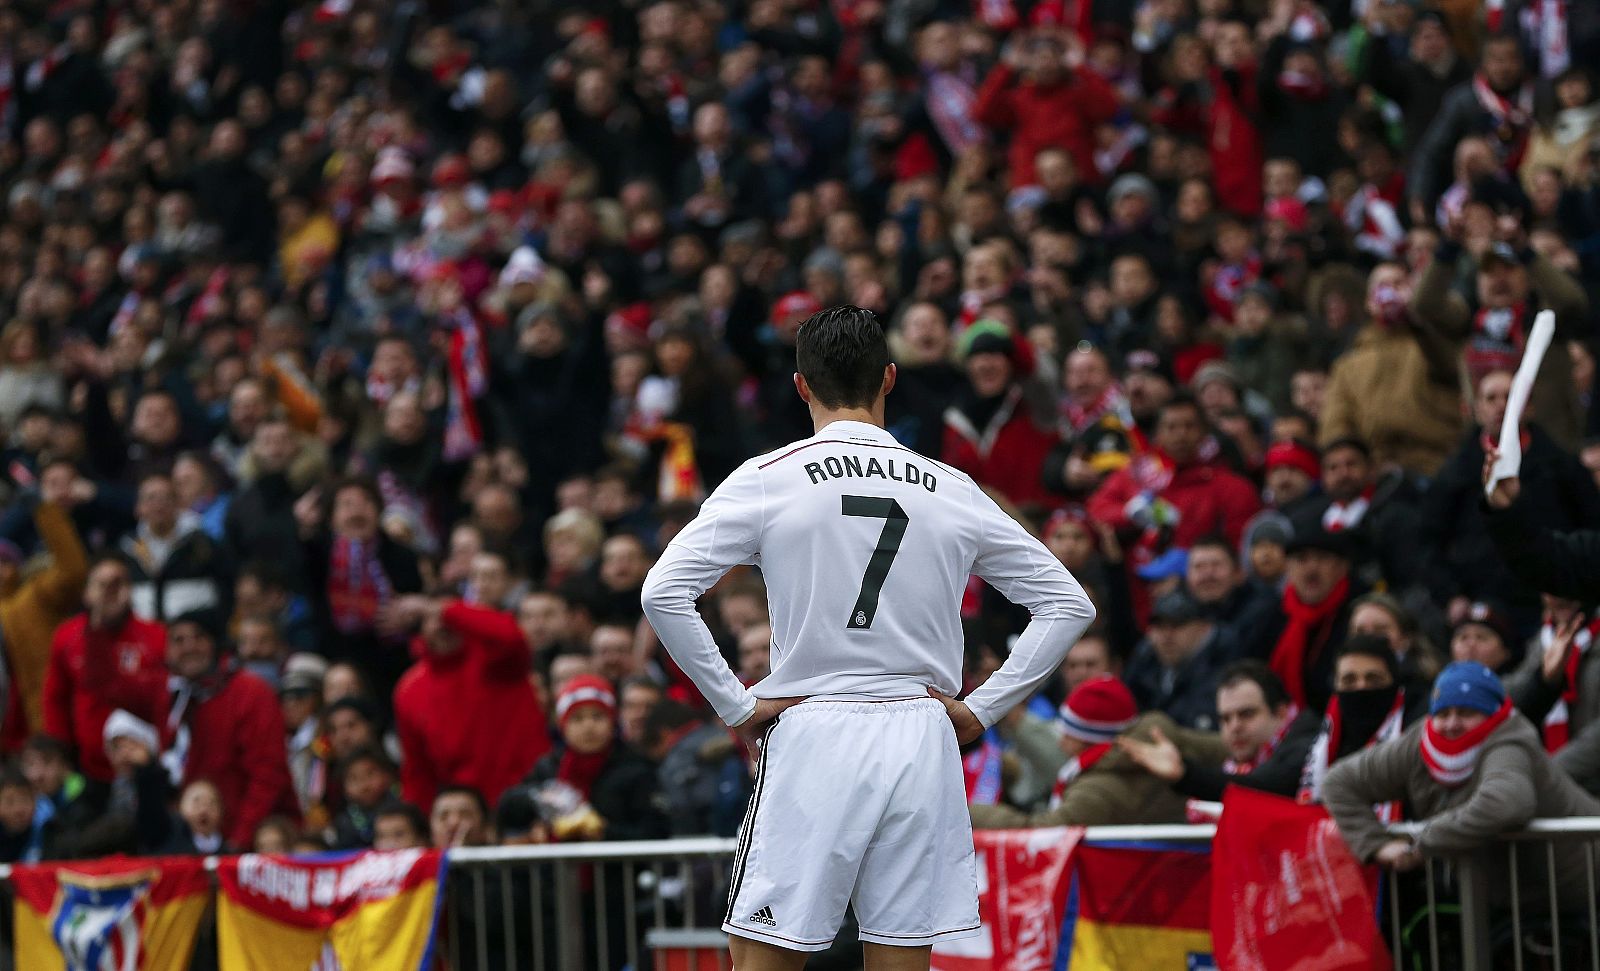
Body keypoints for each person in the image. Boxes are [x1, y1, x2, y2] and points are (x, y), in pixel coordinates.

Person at [642, 306, 1094, 966]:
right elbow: (1067, 604)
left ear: (801, 386)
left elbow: (663, 591)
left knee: (763, 950)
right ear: (888, 378)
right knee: (901, 953)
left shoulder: (770, 476)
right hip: (922, 733)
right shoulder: (952, 486)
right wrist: (982, 709)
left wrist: (735, 704)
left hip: (815, 724)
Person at [1324, 662, 1600, 909]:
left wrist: (1422, 844)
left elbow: (1507, 803)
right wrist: (1375, 844)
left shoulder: (1509, 740)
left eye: (1466, 712)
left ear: (1492, 715)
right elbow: (1339, 782)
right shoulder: (1419, 741)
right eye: (1443, 713)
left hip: (1579, 887)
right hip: (1513, 903)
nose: (1452, 724)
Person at [971, 674, 1227, 828]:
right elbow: (1224, 747)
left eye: (1069, 736)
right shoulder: (1162, 736)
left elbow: (1039, 831)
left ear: (1090, 740)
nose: (1061, 743)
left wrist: (969, 813)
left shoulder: (1096, 790)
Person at [386, 594, 551, 812]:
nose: (441, 625)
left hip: (528, 798)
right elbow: (418, 771)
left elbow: (510, 635)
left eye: (446, 618)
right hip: (468, 813)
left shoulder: (498, 660)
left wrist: (442, 608)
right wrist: (420, 824)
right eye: (431, 619)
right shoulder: (409, 689)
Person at [43, 556, 167, 783]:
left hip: (144, 765)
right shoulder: (67, 636)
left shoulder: (156, 636)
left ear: (130, 590)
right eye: (102, 584)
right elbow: (55, 699)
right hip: (87, 767)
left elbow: (163, 703)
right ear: (87, 593)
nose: (109, 592)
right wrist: (60, 755)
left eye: (117, 584)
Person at [1120, 660, 1316, 802]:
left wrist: (1185, 774)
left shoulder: (1308, 747)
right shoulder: (1235, 763)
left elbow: (1263, 787)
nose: (1234, 727)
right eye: (1225, 719)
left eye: (1247, 714)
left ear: (1281, 713)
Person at [1122, 590, 1230, 732]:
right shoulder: (1144, 662)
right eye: (1160, 626)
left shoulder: (1222, 669)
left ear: (1204, 628)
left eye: (1177, 626)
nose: (1167, 636)